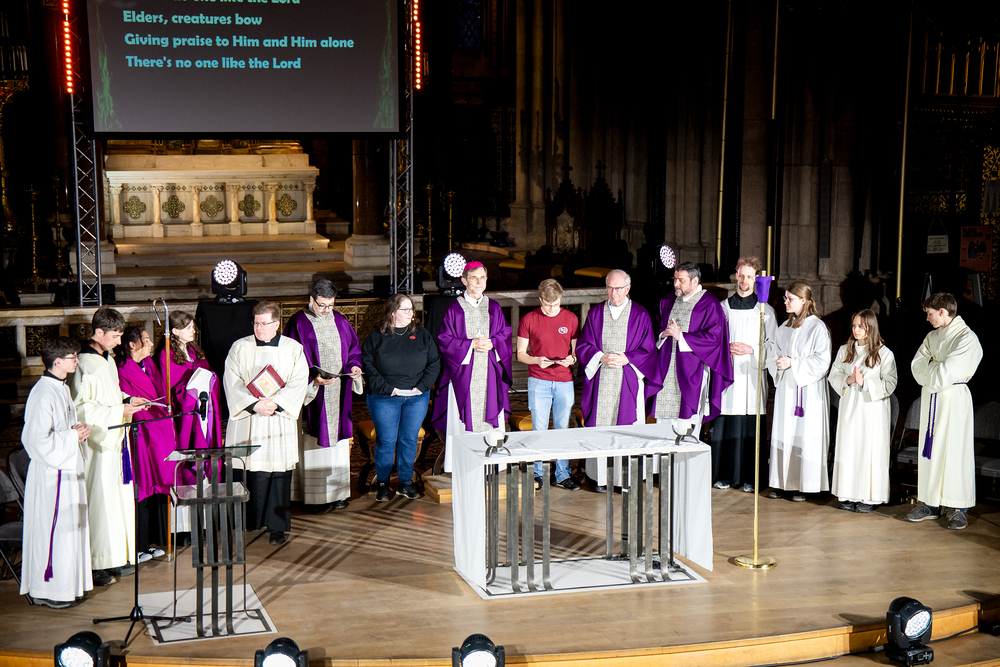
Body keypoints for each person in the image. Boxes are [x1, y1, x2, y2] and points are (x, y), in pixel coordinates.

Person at [70, 306, 148, 587]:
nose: (119, 341)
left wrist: (127, 400)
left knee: (115, 502)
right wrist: (118, 412)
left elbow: (109, 395)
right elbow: (79, 408)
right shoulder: (82, 363)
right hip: (97, 445)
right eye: (114, 336)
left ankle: (114, 557)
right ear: (99, 332)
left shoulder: (108, 360)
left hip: (115, 440)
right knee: (100, 501)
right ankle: (95, 562)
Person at [224, 301, 310, 545]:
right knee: (248, 469)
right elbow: (232, 381)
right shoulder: (240, 347)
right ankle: (247, 522)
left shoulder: (293, 349)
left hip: (277, 419)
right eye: (256, 323)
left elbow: (299, 381)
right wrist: (253, 404)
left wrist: (276, 403)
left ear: (277, 324)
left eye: (264, 323)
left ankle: (277, 527)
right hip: (249, 419)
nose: (259, 328)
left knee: (278, 471)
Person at [20, 337, 91, 609]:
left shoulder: (61, 388)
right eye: (73, 357)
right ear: (58, 361)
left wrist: (78, 430)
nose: (77, 361)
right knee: (54, 532)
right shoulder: (42, 393)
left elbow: (62, 428)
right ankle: (48, 590)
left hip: (66, 469)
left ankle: (68, 586)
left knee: (69, 531)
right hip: (52, 475)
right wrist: (71, 437)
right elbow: (34, 441)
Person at [283, 279, 362, 510]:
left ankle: (337, 494)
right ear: (311, 299)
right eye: (323, 305)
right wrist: (312, 380)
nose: (327, 310)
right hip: (312, 394)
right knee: (312, 443)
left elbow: (354, 350)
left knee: (338, 446)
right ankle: (312, 498)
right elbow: (289, 360)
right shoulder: (298, 323)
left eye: (331, 305)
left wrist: (354, 367)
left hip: (338, 392)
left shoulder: (340, 320)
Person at [907, 292, 983, 530]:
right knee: (931, 452)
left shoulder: (967, 338)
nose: (927, 318)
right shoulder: (932, 336)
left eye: (929, 313)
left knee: (954, 451)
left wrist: (933, 370)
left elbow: (948, 372)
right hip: (932, 399)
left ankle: (958, 507)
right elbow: (916, 365)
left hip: (954, 400)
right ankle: (930, 503)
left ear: (942, 311)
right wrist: (936, 371)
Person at [576, 269, 657, 491]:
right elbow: (583, 345)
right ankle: (600, 478)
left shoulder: (640, 314)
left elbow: (648, 350)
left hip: (628, 377)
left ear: (628, 288)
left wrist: (628, 358)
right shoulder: (595, 313)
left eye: (619, 288)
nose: (614, 293)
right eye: (610, 288)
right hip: (601, 378)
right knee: (602, 428)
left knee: (627, 430)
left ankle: (625, 480)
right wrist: (600, 357)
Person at [431, 261, 513, 472]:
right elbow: (444, 340)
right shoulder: (454, 309)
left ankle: (492, 463)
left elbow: (505, 333)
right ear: (464, 280)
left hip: (490, 373)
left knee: (490, 413)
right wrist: (470, 345)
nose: (479, 282)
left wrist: (494, 342)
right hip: (463, 374)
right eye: (474, 278)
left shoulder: (494, 307)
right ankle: (464, 465)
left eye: (482, 278)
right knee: (463, 420)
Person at [362, 294, 441, 501]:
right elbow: (368, 365)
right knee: (386, 440)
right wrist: (388, 388)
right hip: (385, 396)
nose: (410, 313)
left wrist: (422, 387)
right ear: (392, 312)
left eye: (411, 309)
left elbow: (434, 362)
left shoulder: (422, 335)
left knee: (409, 440)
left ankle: (405, 482)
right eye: (405, 309)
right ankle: (383, 483)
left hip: (416, 397)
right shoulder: (376, 336)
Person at [649, 261, 733, 447]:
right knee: (663, 430)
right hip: (666, 370)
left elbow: (714, 338)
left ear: (695, 281)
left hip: (692, 371)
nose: (676, 284)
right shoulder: (667, 301)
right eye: (675, 279)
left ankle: (686, 462)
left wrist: (682, 336)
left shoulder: (709, 304)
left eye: (681, 280)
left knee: (687, 425)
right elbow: (655, 328)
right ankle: (663, 462)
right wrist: (663, 334)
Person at [713, 257, 776, 492]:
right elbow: (713, 339)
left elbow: (773, 345)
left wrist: (752, 349)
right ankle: (724, 475)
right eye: (741, 275)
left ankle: (752, 478)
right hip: (728, 373)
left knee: (750, 423)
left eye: (749, 277)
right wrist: (724, 347)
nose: (744, 281)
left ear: (756, 278)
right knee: (727, 421)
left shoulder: (765, 310)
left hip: (751, 373)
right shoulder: (723, 308)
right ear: (736, 275)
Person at [766, 282, 832, 502]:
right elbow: (773, 353)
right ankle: (782, 482)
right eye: (785, 298)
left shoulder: (817, 327)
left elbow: (822, 361)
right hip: (787, 389)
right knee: (784, 432)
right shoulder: (784, 327)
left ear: (803, 301)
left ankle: (805, 485)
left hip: (808, 391)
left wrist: (793, 363)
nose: (785, 302)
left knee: (805, 434)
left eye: (790, 299)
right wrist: (778, 362)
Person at [828, 309, 898, 513]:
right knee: (849, 449)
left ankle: (869, 497)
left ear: (871, 327)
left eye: (861, 326)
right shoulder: (845, 350)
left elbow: (890, 382)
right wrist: (849, 379)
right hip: (850, 407)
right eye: (854, 325)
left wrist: (865, 383)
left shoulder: (884, 353)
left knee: (868, 451)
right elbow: (834, 375)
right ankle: (847, 494)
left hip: (871, 410)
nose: (856, 330)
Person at [116, 326, 174, 561]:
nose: (151, 344)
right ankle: (137, 544)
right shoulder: (122, 369)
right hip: (139, 433)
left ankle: (151, 541)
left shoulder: (148, 364)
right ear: (132, 344)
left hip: (157, 429)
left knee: (157, 483)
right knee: (142, 484)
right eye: (146, 340)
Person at [516, 279, 580, 491]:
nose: (552, 308)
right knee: (539, 429)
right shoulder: (529, 319)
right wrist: (536, 360)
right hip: (538, 379)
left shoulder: (570, 318)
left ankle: (562, 474)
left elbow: (576, 351)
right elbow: (520, 354)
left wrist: (572, 359)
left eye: (556, 303)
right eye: (548, 304)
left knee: (563, 428)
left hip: (564, 380)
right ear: (540, 299)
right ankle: (538, 473)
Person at [157, 311, 223, 454]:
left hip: (203, 400)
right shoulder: (166, 354)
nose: (193, 331)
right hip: (184, 404)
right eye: (188, 328)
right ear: (175, 331)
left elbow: (208, 370)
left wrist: (210, 377)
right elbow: (171, 385)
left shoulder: (194, 349)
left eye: (193, 327)